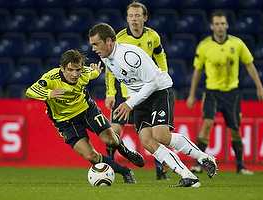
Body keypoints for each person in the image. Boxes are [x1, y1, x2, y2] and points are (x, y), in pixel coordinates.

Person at [88, 23, 217, 187]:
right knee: (147, 141)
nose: (93, 49)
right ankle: (189, 177)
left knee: (161, 136)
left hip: (159, 91)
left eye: (95, 44)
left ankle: (203, 157)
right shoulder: (105, 57)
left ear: (108, 41)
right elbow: (128, 77)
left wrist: (129, 103)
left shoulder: (129, 55)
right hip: (140, 97)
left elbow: (153, 82)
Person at [25, 49, 145, 184]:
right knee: (91, 156)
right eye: (70, 70)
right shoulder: (51, 78)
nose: (75, 74)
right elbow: (30, 91)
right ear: (62, 68)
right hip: (65, 122)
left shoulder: (85, 73)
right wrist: (49, 94)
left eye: (78, 70)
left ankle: (126, 152)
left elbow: (93, 72)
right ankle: (125, 171)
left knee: (110, 140)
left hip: (87, 111)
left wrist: (97, 71)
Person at [186, 10, 263, 175]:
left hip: (232, 93)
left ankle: (240, 166)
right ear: (212, 26)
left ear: (227, 25)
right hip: (212, 93)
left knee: (235, 129)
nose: (220, 27)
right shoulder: (205, 46)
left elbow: (249, 64)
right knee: (207, 124)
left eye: (223, 23)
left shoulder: (237, 44)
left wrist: (259, 86)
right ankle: (198, 164)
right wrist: (192, 94)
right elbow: (197, 71)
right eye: (217, 24)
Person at [105, 1, 170, 180]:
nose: (134, 19)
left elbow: (160, 56)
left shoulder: (153, 36)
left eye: (138, 16)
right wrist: (110, 93)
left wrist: (162, 74)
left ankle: (160, 170)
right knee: (113, 131)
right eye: (131, 16)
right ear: (127, 19)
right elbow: (111, 69)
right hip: (124, 92)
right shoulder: (119, 38)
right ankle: (110, 166)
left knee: (154, 133)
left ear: (144, 18)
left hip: (147, 93)